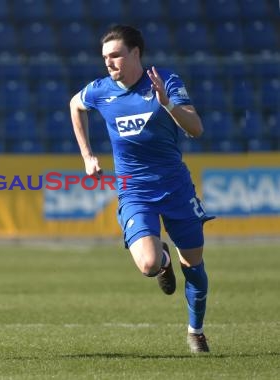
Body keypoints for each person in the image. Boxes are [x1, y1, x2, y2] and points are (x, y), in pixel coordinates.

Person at [69, 24, 215, 353]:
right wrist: (87, 155)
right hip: (134, 190)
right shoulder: (101, 89)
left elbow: (196, 129)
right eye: (105, 57)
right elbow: (74, 105)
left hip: (176, 188)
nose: (109, 62)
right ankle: (162, 259)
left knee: (193, 264)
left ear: (136, 53)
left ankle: (196, 330)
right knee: (148, 265)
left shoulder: (165, 81)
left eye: (116, 55)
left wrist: (167, 104)